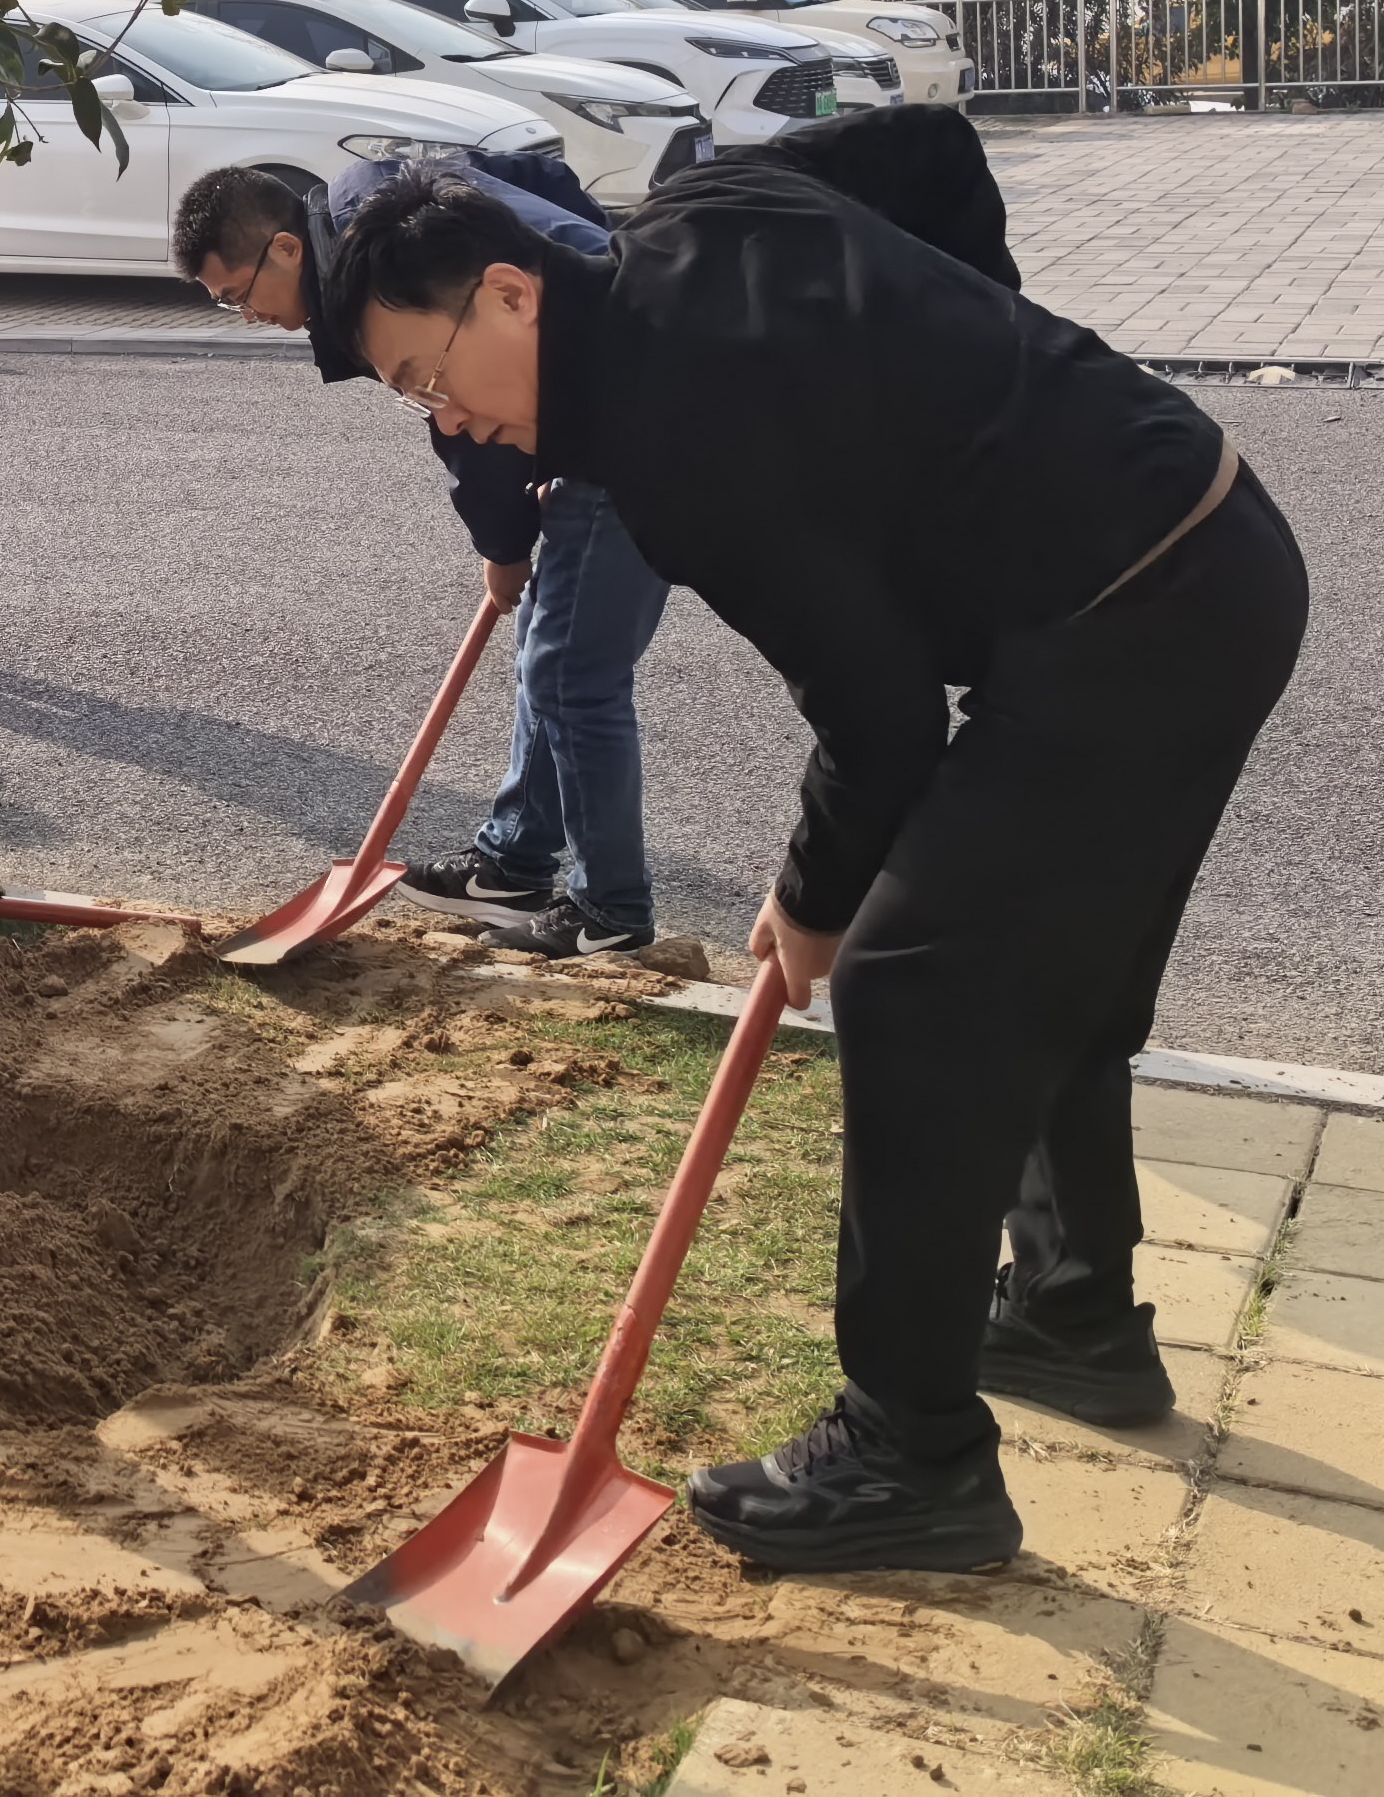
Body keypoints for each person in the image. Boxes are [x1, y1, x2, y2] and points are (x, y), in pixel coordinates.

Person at [328, 157, 1305, 1572]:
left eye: (433, 378)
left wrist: (810, 897)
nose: (452, 420)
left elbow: (883, 714)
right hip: (1208, 536)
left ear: (510, 293)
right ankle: (1077, 1317)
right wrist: (981, 376)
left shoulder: (673, 444)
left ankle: (910, 1457)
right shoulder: (697, 207)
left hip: (1129, 616)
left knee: (911, 979)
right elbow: (928, 158)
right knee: (1052, 959)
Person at [173, 156, 670, 961]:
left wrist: (504, 546)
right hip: (583, 409)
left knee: (571, 672)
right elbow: (546, 184)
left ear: (286, 251)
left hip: (630, 415)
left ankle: (611, 909)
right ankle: (514, 861)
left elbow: (464, 413)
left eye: (237, 295)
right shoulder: (375, 201)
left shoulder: (384, 255)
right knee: (549, 652)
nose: (247, 315)